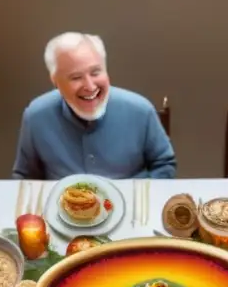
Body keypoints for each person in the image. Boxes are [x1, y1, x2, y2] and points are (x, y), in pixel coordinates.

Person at [12, 32, 176, 180]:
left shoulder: (141, 110)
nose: (90, 86)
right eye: (76, 77)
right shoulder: (35, 116)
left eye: (95, 72)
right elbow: (25, 177)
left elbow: (165, 165)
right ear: (55, 82)